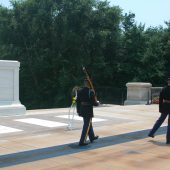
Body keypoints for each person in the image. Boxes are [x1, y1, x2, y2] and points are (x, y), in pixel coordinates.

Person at [76, 79, 99, 146]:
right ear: (89, 84)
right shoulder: (90, 92)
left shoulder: (80, 91)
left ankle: (92, 137)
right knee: (86, 125)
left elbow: (78, 102)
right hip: (88, 110)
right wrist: (97, 103)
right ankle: (82, 141)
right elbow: (94, 103)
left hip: (82, 109)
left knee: (89, 123)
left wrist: (78, 111)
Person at [148, 77, 170, 144]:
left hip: (165, 106)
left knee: (160, 121)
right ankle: (168, 140)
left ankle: (151, 133)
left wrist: (160, 109)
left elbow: (160, 100)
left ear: (168, 82)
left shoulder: (164, 88)